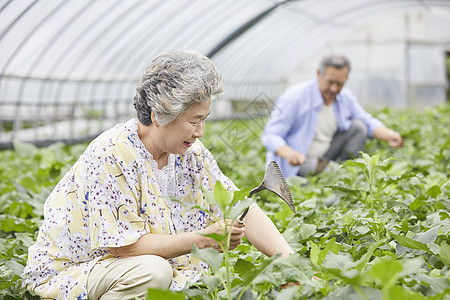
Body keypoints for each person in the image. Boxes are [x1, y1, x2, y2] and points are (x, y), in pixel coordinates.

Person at [23, 49, 293, 300]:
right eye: (193, 121)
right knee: (154, 272)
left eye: (204, 119)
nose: (200, 132)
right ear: (159, 115)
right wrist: (202, 239)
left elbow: (236, 204)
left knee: (167, 272)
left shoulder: (190, 153)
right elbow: (124, 248)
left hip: (122, 268)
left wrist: (292, 268)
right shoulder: (113, 153)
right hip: (76, 271)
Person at [261, 54, 403, 178]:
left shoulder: (344, 96)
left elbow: (366, 120)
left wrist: (389, 135)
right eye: (330, 82)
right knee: (338, 176)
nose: (334, 88)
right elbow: (270, 135)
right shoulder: (295, 98)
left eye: (340, 83)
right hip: (299, 162)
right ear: (319, 74)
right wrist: (289, 153)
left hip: (326, 153)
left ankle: (339, 168)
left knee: (358, 127)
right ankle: (331, 175)